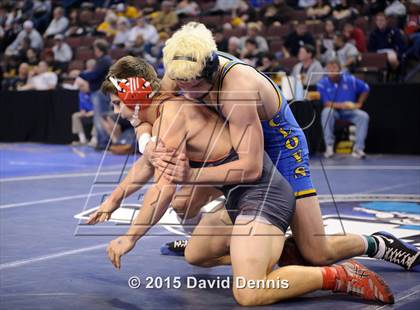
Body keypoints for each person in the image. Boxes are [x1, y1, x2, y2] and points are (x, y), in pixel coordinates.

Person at [88, 56, 394, 306]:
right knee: (196, 255)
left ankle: (338, 275)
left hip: (264, 192)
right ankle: (277, 251)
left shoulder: (176, 113)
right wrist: (113, 201)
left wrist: (130, 238)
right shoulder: (165, 109)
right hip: (239, 197)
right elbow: (147, 164)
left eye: (116, 103)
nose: (115, 111)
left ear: (134, 96)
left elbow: (164, 187)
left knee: (249, 292)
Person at [141, 23, 419, 272]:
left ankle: (376, 244)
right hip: (235, 139)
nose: (187, 93)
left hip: (279, 145)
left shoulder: (238, 86)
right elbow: (149, 112)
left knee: (316, 252)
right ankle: (212, 239)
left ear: (211, 71)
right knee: (183, 203)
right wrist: (148, 143)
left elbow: (250, 168)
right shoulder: (181, 66)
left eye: (196, 86)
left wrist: (189, 175)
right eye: (182, 86)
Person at [317, 59, 370, 159]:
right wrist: (343, 105)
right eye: (329, 68)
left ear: (340, 69)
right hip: (334, 111)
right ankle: (329, 146)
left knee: (363, 116)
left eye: (334, 68)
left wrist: (359, 103)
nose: (331, 70)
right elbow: (327, 103)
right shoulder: (322, 83)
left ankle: (359, 148)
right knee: (326, 112)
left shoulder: (351, 80)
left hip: (350, 112)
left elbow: (366, 88)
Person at [79, 39, 112, 150]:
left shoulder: (104, 60)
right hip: (99, 91)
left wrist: (81, 74)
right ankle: (101, 141)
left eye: (95, 49)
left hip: (100, 92)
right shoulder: (103, 60)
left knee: (100, 117)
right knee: (99, 117)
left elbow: (94, 75)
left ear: (98, 49)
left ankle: (103, 142)